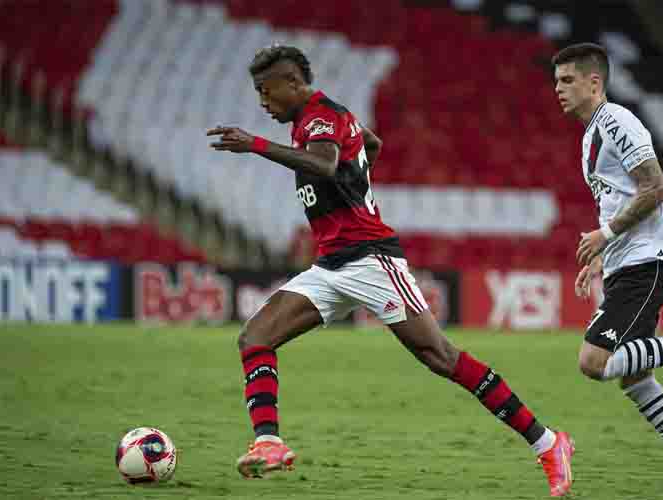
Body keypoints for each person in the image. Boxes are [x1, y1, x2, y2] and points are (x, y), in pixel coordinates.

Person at [207, 44, 574, 496]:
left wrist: (256, 145)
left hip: (370, 258)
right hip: (332, 265)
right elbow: (371, 144)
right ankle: (268, 444)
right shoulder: (322, 119)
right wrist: (355, 190)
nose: (263, 102)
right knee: (255, 337)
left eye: (266, 91)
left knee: (440, 357)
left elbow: (324, 163)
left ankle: (549, 442)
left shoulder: (320, 117)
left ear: (292, 83)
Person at [551, 43, 663, 494]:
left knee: (594, 361)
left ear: (595, 83)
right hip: (624, 265)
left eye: (567, 80)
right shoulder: (590, 133)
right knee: (635, 379)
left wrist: (606, 236)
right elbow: (618, 198)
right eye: (556, 81)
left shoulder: (617, 121)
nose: (558, 89)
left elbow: (656, 188)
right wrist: (600, 254)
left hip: (646, 263)